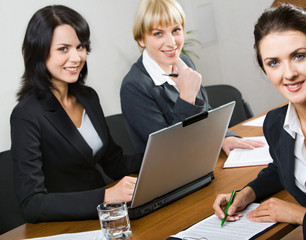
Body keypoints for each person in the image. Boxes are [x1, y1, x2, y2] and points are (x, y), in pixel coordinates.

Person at [213, 4, 306, 239]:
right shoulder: (275, 123)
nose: (288, 73)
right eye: (274, 63)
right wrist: (247, 193)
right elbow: (283, 166)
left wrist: (300, 216)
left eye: (298, 56)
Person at [10, 5, 142, 223]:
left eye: (80, 47)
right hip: (66, 226)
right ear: (39, 52)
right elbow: (31, 204)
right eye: (63, 49)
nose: (76, 57)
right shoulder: (26, 115)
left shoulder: (88, 97)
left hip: (108, 216)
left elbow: (114, 163)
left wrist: (158, 157)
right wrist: (106, 196)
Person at [120, 0, 264, 155]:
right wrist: (187, 98)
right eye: (158, 33)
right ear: (141, 39)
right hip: (172, 172)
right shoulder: (134, 86)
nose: (171, 42)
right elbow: (167, 149)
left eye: (176, 30)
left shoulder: (184, 62)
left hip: (202, 155)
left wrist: (225, 138)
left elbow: (205, 114)